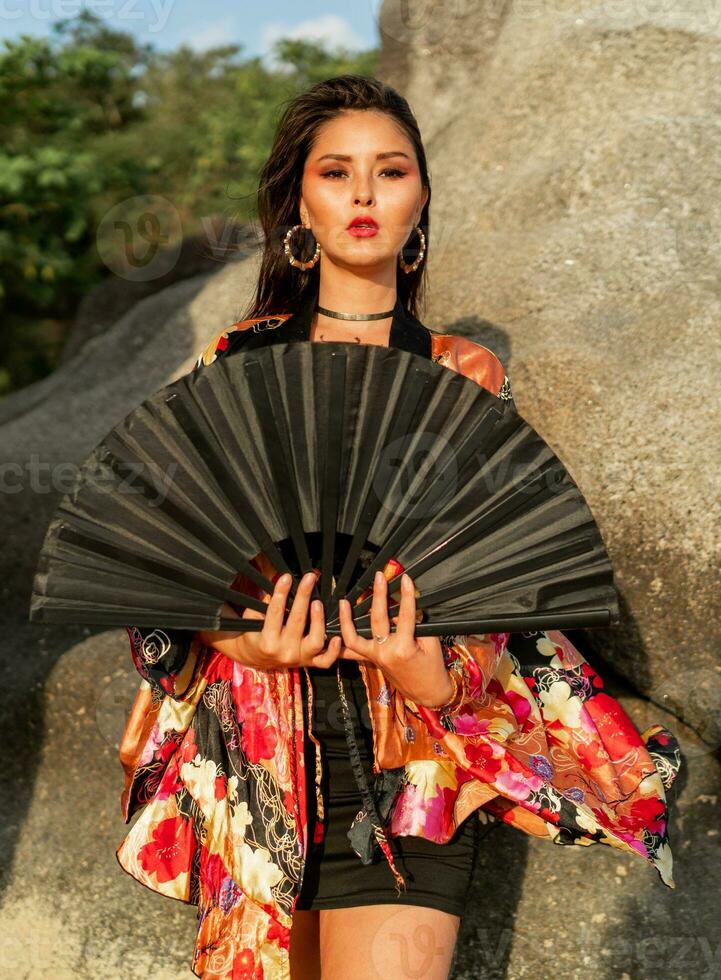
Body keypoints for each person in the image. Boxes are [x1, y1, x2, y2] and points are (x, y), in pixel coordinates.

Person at [116, 75, 681, 980]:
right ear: (299, 201)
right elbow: (161, 563)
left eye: (391, 171)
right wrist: (242, 641)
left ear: (420, 200)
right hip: (258, 759)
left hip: (411, 770)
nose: (365, 194)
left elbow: (495, 573)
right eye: (337, 172)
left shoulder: (465, 374)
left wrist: (441, 677)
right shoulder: (238, 360)